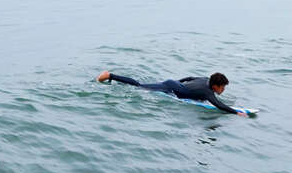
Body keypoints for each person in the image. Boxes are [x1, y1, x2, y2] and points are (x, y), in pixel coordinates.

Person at [96, 70, 248, 117]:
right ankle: (110, 75)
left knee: (141, 85)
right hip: (170, 89)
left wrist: (177, 83)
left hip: (173, 84)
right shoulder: (207, 92)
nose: (223, 90)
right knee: (139, 86)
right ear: (215, 86)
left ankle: (112, 77)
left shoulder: (205, 79)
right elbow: (219, 105)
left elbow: (189, 78)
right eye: (222, 88)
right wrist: (236, 112)